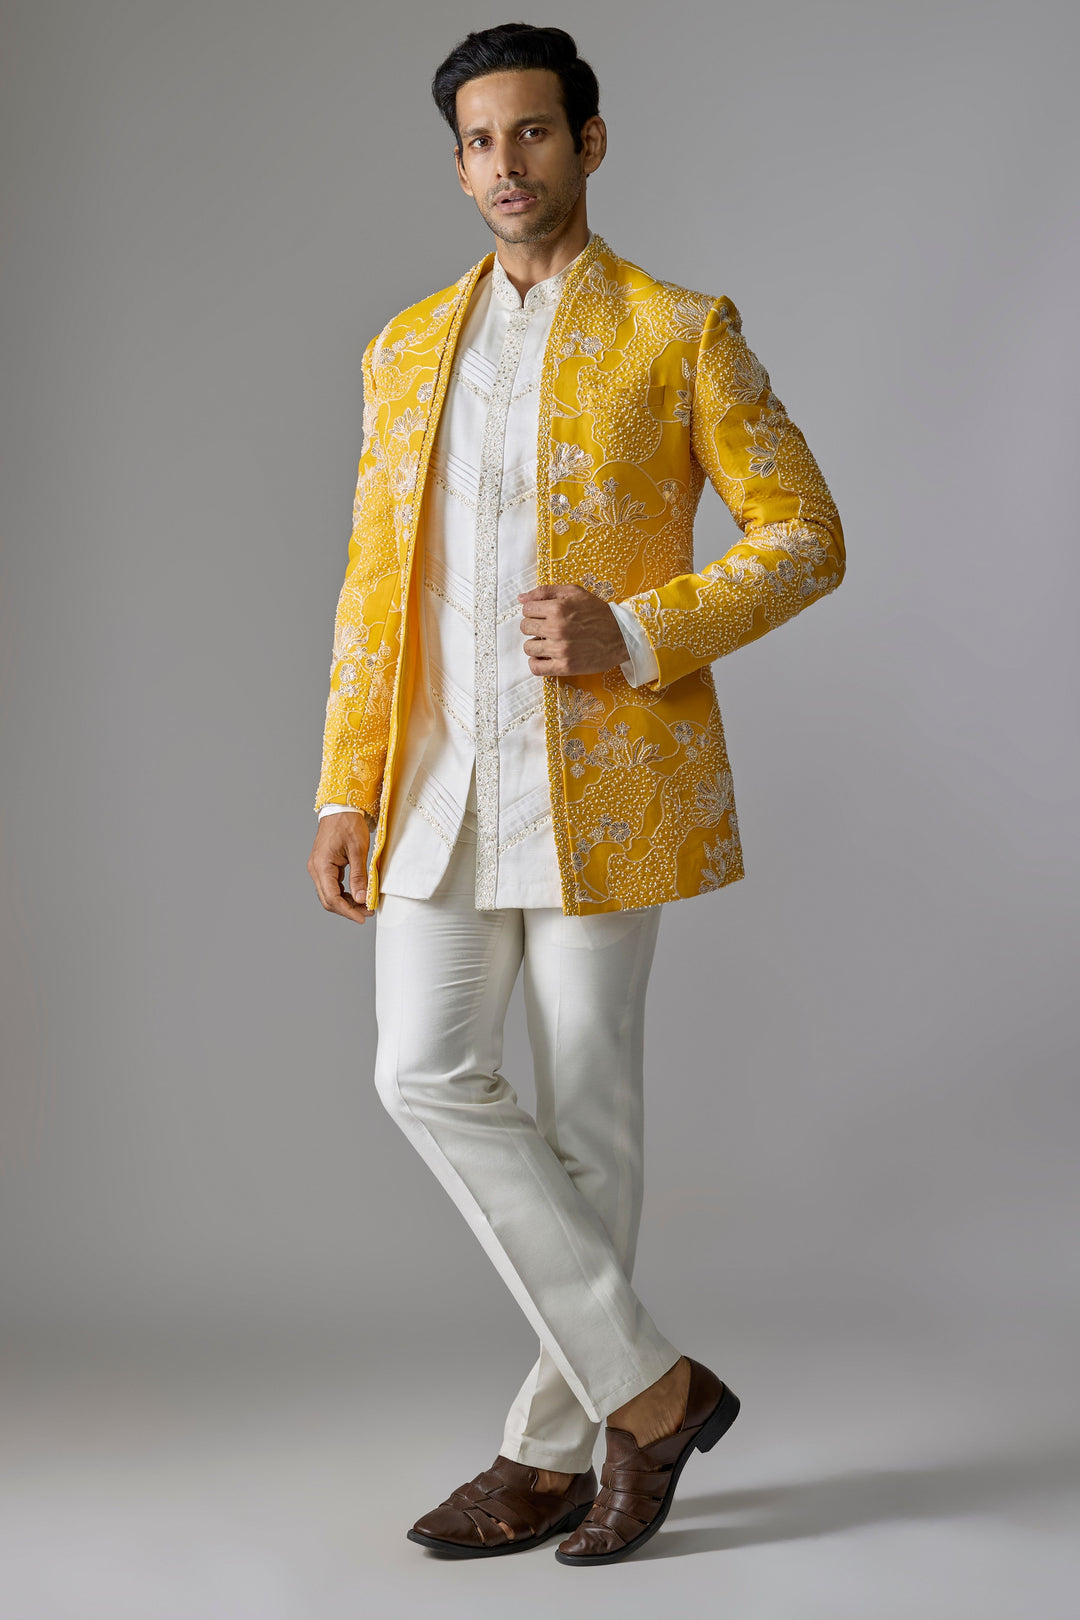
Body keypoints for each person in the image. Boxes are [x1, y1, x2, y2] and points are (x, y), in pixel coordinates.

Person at [307, 22, 845, 1567]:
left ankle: (548, 1454)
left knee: (590, 1123)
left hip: (609, 783)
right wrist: (344, 785)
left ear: (588, 143)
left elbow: (806, 534)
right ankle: (654, 1394)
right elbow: (371, 588)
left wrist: (642, 630)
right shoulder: (406, 348)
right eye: (480, 141)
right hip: (437, 782)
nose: (506, 164)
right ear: (458, 162)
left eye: (533, 133)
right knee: (422, 1071)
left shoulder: (680, 332)